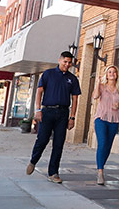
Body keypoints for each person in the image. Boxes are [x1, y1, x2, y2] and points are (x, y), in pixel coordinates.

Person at [25, 51, 82, 183]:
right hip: (47, 112)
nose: (67, 64)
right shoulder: (48, 74)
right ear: (59, 60)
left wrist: (72, 118)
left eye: (69, 62)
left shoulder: (72, 79)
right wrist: (38, 110)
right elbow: (39, 92)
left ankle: (53, 173)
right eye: (65, 62)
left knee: (58, 143)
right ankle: (33, 161)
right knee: (42, 139)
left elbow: (75, 99)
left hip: (63, 113)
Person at [92, 64, 119, 185]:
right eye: (109, 72)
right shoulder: (101, 86)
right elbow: (95, 97)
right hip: (101, 118)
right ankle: (100, 172)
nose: (112, 74)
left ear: (117, 75)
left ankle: (101, 165)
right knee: (102, 143)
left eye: (114, 72)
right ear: (107, 74)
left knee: (107, 146)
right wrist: (97, 83)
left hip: (114, 120)